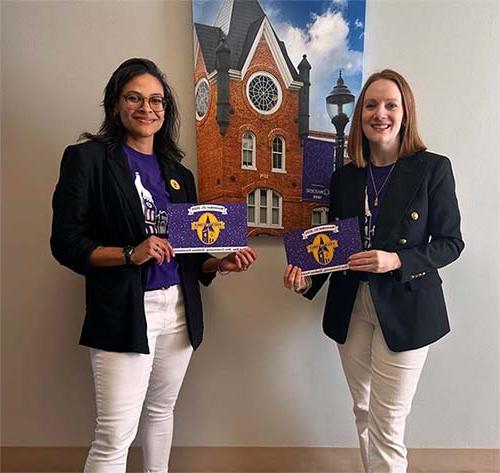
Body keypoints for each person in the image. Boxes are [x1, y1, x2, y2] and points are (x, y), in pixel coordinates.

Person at [51, 58, 256, 472]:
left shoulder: (178, 174)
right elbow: (66, 243)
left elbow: (190, 256)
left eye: (156, 100)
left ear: (166, 109)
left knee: (162, 413)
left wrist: (220, 263)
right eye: (135, 98)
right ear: (115, 105)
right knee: (114, 435)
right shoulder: (87, 159)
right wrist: (130, 253)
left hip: (179, 309)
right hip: (125, 309)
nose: (147, 108)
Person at [284, 69, 464, 473]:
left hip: (408, 306)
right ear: (360, 115)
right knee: (363, 410)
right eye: (371, 105)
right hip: (352, 305)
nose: (379, 113)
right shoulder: (344, 178)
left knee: (387, 424)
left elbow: (451, 243)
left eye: (390, 105)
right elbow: (330, 247)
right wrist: (305, 281)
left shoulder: (432, 168)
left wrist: (396, 259)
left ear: (405, 113)